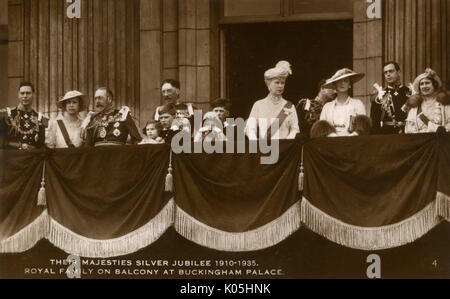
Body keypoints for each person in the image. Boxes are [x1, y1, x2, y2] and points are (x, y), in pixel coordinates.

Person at [245, 61, 299, 140]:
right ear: (269, 84)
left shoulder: (290, 106)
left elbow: (295, 129)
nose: (280, 86)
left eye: (282, 83)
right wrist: (255, 144)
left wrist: (287, 144)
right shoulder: (258, 105)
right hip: (264, 149)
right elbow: (250, 128)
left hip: (285, 150)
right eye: (277, 83)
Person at [0, 82, 48, 149]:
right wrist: (19, 146)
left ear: (33, 95)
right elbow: (2, 142)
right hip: (12, 157)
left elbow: (41, 145)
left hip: (33, 157)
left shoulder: (40, 118)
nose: (25, 96)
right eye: (22, 93)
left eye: (28, 93)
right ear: (18, 95)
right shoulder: (7, 115)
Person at [320, 68, 366, 136]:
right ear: (334, 85)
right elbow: (321, 127)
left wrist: (354, 134)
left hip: (352, 143)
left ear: (350, 84)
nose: (342, 83)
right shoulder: (327, 107)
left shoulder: (357, 104)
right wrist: (331, 135)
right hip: (331, 144)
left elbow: (363, 126)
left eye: (346, 81)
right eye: (339, 81)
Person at [370, 61, 411, 134]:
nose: (388, 74)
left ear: (398, 72)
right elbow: (375, 122)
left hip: (407, 132)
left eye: (391, 71)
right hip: (387, 135)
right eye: (385, 72)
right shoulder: (380, 95)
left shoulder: (409, 92)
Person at [405, 68, 450, 133]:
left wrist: (442, 130)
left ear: (434, 85)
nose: (424, 86)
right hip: (420, 141)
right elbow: (409, 128)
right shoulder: (416, 106)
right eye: (422, 84)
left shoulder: (443, 103)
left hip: (439, 140)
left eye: (427, 83)